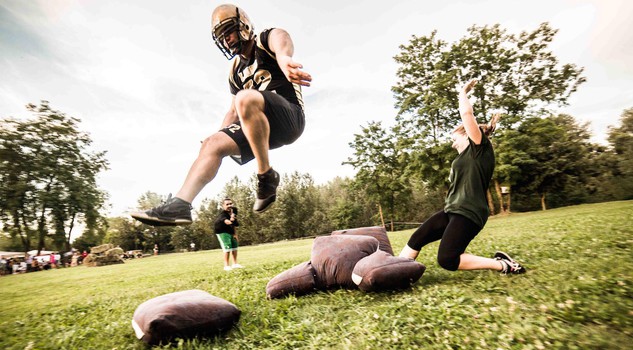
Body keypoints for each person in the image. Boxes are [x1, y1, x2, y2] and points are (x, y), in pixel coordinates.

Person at [131, 3, 312, 226]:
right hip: (259, 128)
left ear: (243, 25)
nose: (226, 40)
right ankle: (180, 205)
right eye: (222, 37)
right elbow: (233, 112)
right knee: (212, 143)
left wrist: (284, 58)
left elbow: (281, 37)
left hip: (289, 117)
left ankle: (266, 176)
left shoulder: (265, 41)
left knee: (244, 98)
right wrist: (218, 136)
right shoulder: (235, 71)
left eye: (228, 32)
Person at [398, 79, 526, 275]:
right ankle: (397, 271)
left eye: (453, 139)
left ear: (466, 133)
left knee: (447, 259)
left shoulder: (479, 148)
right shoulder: (466, 156)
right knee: (417, 238)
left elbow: (466, 113)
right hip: (453, 209)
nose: (451, 144)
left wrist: (462, 92)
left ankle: (503, 264)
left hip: (469, 211)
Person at [214, 198, 242, 271]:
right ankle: (226, 265)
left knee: (234, 246)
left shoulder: (233, 212)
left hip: (230, 231)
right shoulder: (222, 215)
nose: (229, 205)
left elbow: (234, 225)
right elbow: (228, 222)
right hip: (222, 232)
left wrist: (235, 234)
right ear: (223, 206)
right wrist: (232, 219)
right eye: (227, 204)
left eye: (230, 204)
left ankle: (235, 264)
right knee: (227, 247)